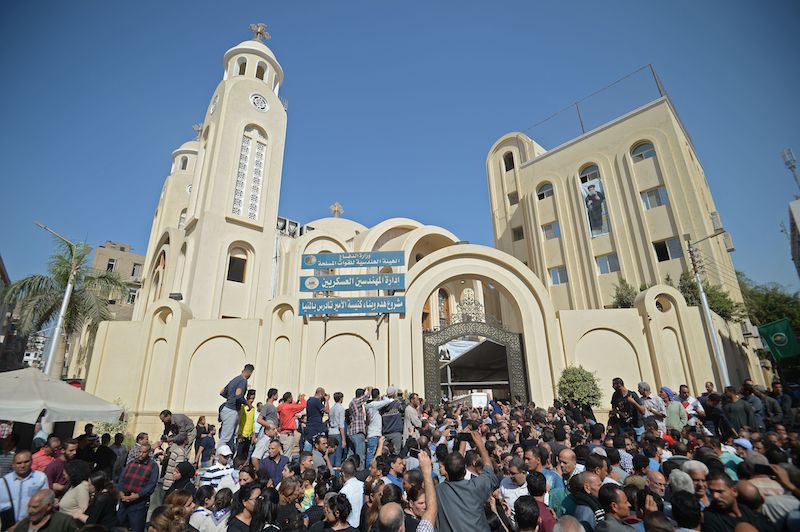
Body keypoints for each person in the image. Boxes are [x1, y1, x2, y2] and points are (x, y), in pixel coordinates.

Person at [435, 428, 499, 532]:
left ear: (446, 471)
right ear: (465, 471)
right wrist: (481, 445)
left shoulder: (438, 491)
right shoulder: (475, 486)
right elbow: (489, 470)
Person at [701, 470, 776, 532]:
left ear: (734, 491)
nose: (715, 496)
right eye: (711, 492)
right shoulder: (710, 517)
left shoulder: (748, 511)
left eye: (720, 492)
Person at [117, 442, 160, 532]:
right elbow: (122, 478)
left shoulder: (153, 466)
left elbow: (151, 484)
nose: (141, 454)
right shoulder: (131, 463)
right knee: (119, 526)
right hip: (124, 500)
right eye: (139, 452)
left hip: (139, 503)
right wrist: (120, 492)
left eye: (144, 452)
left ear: (148, 452)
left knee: (136, 528)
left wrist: (137, 495)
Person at [0, 450, 49, 526]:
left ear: (31, 461)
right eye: (19, 463)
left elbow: (45, 502)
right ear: (13, 464)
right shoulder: (4, 481)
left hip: (31, 524)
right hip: (9, 525)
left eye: (26, 462)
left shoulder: (40, 478)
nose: (22, 465)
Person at [219, 364, 254, 450]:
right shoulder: (243, 381)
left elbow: (222, 392)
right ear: (250, 372)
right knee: (226, 439)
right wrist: (248, 404)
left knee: (230, 438)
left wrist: (230, 398)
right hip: (232, 411)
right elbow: (238, 396)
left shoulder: (234, 380)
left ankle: (227, 457)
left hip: (227, 409)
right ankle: (219, 457)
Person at [13, 489, 77, 532]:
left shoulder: (64, 522)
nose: (30, 511)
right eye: (28, 506)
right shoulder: (23, 524)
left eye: (35, 507)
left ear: (48, 506)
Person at [366, 389, 395, 468]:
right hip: (375, 433)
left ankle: (370, 468)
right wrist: (383, 397)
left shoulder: (368, 405)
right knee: (372, 454)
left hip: (371, 432)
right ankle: (369, 469)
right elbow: (388, 401)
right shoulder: (375, 404)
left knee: (371, 453)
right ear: (378, 395)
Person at [347, 387, 372, 470]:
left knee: (351, 456)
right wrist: (369, 390)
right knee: (360, 456)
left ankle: (348, 470)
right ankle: (360, 473)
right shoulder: (356, 402)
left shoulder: (352, 402)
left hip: (352, 432)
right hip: (357, 432)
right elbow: (366, 397)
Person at [277, 391, 307, 458]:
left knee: (281, 454)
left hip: (281, 433)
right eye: (291, 398)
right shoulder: (290, 408)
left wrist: (297, 401)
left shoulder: (280, 406)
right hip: (288, 434)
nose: (292, 399)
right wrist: (302, 398)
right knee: (287, 456)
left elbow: (292, 407)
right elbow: (303, 406)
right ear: (288, 398)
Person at [338, 459, 364, 528]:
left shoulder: (344, 491)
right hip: (362, 525)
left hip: (349, 526)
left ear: (343, 473)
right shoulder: (363, 485)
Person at [380, 386, 404, 454]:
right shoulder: (397, 403)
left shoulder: (382, 405)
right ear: (394, 394)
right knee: (396, 453)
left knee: (384, 453)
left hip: (385, 432)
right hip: (395, 432)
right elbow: (403, 409)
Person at [236, 389, 257, 459]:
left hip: (249, 436)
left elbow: (253, 422)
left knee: (246, 455)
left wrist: (253, 434)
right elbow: (239, 421)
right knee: (239, 454)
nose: (251, 400)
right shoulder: (243, 407)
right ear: (247, 397)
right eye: (250, 398)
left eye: (253, 398)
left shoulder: (253, 408)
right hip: (242, 434)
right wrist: (240, 434)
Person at [328, 392, 347, 468]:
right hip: (337, 432)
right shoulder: (341, 409)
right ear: (341, 398)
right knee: (338, 455)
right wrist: (343, 439)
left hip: (330, 432)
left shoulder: (331, 409)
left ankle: (330, 470)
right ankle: (337, 472)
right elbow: (341, 425)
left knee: (331, 454)